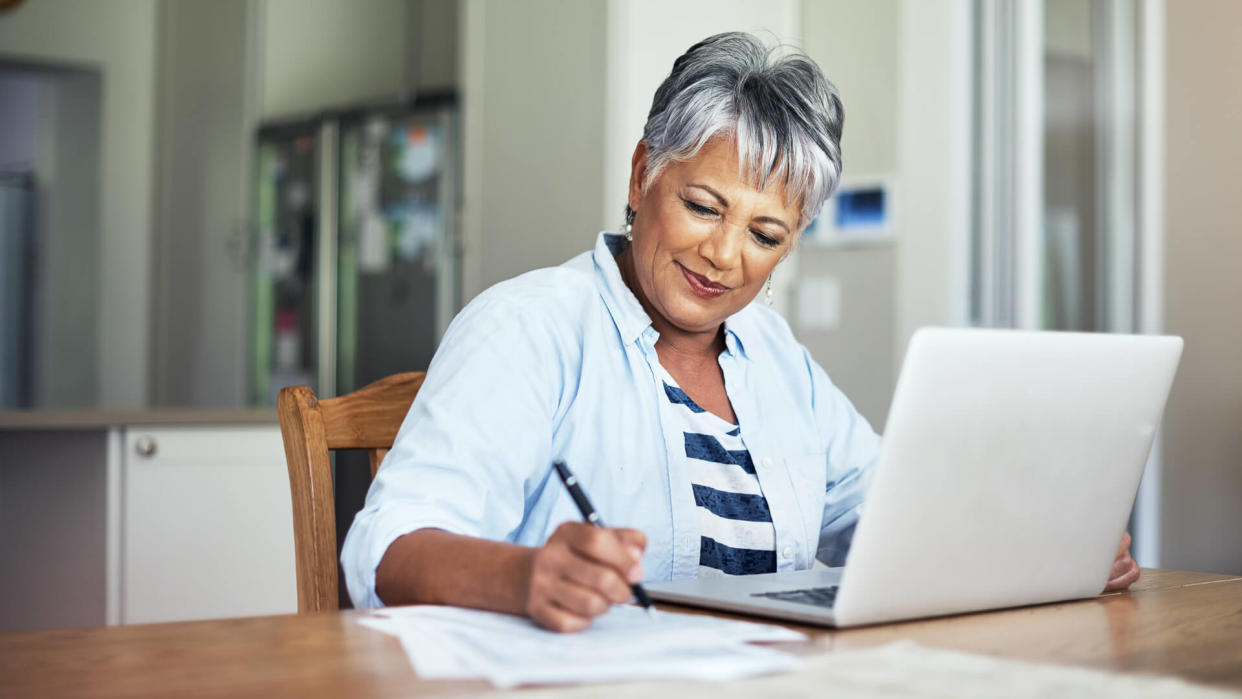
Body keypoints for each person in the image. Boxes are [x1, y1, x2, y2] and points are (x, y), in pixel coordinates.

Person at [340, 31, 1140, 632]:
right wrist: (523, 577)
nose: (724, 257)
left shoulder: (774, 353)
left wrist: (1046, 546)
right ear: (641, 173)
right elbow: (385, 549)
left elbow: (886, 515)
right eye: (702, 206)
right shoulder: (529, 328)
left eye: (765, 235)